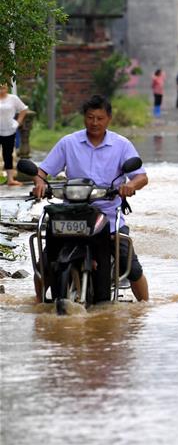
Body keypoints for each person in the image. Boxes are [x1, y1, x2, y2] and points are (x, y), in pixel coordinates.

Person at [30, 95, 150, 302]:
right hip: (71, 215)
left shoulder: (121, 145)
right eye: (90, 117)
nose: (95, 123)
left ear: (109, 119)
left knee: (130, 264)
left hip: (109, 216)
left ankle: (145, 308)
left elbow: (141, 176)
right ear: (84, 118)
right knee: (45, 263)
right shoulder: (69, 143)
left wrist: (129, 186)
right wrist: (39, 183)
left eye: (100, 118)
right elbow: (41, 171)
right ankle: (39, 304)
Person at [0, 84, 28, 187]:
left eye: (3, 87)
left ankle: (10, 179)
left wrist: (18, 122)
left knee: (8, 154)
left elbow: (24, 109)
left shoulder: (13, 98)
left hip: (9, 130)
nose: (1, 90)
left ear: (7, 88)